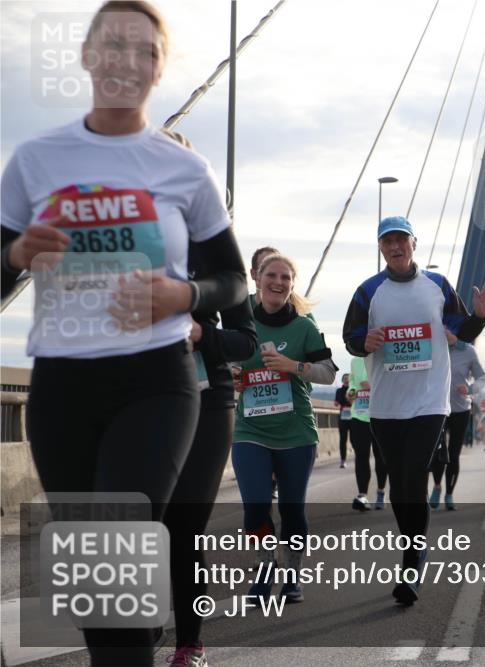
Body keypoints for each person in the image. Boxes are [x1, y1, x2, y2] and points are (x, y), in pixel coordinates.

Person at [0, 3, 247, 664]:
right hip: (61, 387)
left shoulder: (184, 169)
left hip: (155, 381)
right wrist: (16, 254)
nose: (127, 61)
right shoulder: (35, 160)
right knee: (98, 586)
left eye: (145, 50)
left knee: (118, 541)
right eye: (113, 44)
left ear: (160, 69)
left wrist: (184, 295)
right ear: (87, 56)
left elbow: (233, 281)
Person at [342, 215, 485, 606]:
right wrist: (365, 342)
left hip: (430, 402)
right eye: (388, 241)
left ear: (415, 243)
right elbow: (350, 338)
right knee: (400, 486)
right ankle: (414, 547)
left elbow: (462, 332)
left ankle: (412, 564)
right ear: (381, 248)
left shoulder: (438, 285)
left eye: (402, 240)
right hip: (385, 405)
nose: (395, 246)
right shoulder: (367, 291)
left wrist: (479, 315)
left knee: (413, 477)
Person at [156, 130, 258, 667]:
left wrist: (202, 333)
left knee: (185, 525)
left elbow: (247, 340)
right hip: (136, 399)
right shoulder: (115, 239)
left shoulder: (213, 248)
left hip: (205, 400)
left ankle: (189, 642)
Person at [231, 253, 336, 604]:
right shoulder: (240, 323)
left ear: (292, 285)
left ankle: (292, 574)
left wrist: (294, 366)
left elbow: (328, 373)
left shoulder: (304, 326)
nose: (278, 282)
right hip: (251, 431)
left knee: (292, 510)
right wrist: (231, 376)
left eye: (285, 278)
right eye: (271, 276)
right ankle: (265, 568)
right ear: (258, 279)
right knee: (255, 508)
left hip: (296, 432)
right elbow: (221, 365)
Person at [430, 330, 485, 510]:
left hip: (460, 409)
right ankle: (437, 486)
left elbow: (482, 378)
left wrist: (470, 389)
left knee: (454, 454)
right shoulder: (431, 348)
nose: (445, 331)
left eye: (449, 327)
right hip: (436, 409)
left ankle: (449, 494)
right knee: (438, 451)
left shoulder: (468, 351)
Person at [347, 355, 387, 510]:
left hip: (380, 415)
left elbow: (387, 382)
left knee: (380, 456)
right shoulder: (355, 360)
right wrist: (351, 392)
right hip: (359, 415)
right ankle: (362, 495)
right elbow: (353, 383)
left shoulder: (383, 355)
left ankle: (381, 491)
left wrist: (369, 386)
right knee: (361, 455)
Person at [334, 372, 352, 468]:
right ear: (342, 380)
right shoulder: (339, 391)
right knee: (343, 439)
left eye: (348, 378)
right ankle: (343, 460)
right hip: (343, 417)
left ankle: (359, 457)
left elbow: (354, 402)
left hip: (353, 416)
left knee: (354, 439)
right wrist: (336, 403)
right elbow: (336, 403)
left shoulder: (353, 390)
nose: (346, 380)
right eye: (345, 378)